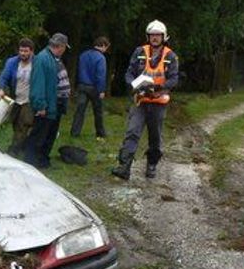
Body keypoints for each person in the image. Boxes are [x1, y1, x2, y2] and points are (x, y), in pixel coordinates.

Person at [111, 20, 179, 180]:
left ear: (164, 37)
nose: (155, 38)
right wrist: (133, 85)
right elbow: (129, 73)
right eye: (152, 35)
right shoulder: (139, 51)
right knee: (132, 132)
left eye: (158, 35)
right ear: (148, 36)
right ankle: (124, 166)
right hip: (140, 100)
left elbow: (174, 78)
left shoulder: (171, 56)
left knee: (155, 137)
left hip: (158, 102)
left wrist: (158, 87)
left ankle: (152, 165)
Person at [25, 33, 69, 168]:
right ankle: (30, 163)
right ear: (60, 46)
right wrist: (41, 105)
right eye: (64, 47)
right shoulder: (42, 59)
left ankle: (43, 161)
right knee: (39, 135)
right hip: (46, 106)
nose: (64, 50)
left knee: (50, 134)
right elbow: (38, 84)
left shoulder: (54, 58)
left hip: (56, 104)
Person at [0, 38, 35, 156]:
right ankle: (23, 144)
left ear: (32, 51)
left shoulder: (37, 63)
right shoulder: (12, 62)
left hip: (29, 99)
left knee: (23, 124)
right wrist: (1, 89)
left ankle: (13, 151)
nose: (23, 53)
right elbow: (4, 77)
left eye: (26, 51)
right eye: (21, 51)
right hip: (15, 98)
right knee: (15, 123)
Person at [70, 36, 110, 139]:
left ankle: (75, 132)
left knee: (80, 110)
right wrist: (101, 90)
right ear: (103, 46)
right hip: (94, 88)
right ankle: (100, 133)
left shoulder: (83, 55)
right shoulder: (101, 58)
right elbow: (100, 75)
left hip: (82, 85)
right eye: (106, 47)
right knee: (98, 111)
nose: (106, 50)